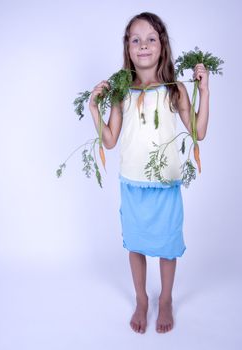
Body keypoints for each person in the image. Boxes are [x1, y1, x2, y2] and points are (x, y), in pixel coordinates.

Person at [89, 12, 209, 334]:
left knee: (168, 245)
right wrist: (93, 109)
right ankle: (142, 299)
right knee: (137, 244)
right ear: (127, 48)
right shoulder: (120, 92)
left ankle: (166, 298)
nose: (143, 45)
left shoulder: (175, 89)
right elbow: (110, 141)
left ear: (162, 45)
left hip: (165, 184)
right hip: (133, 184)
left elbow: (199, 130)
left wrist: (204, 90)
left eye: (151, 39)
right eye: (136, 40)